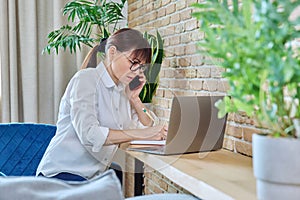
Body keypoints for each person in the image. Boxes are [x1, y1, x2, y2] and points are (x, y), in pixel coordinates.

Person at [36, 28, 167, 181]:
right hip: (63, 175)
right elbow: (90, 134)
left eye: (141, 67)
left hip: (93, 179)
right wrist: (145, 133)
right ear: (112, 53)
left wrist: (135, 100)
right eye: (134, 62)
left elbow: (146, 128)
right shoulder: (85, 80)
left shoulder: (123, 92)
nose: (137, 71)